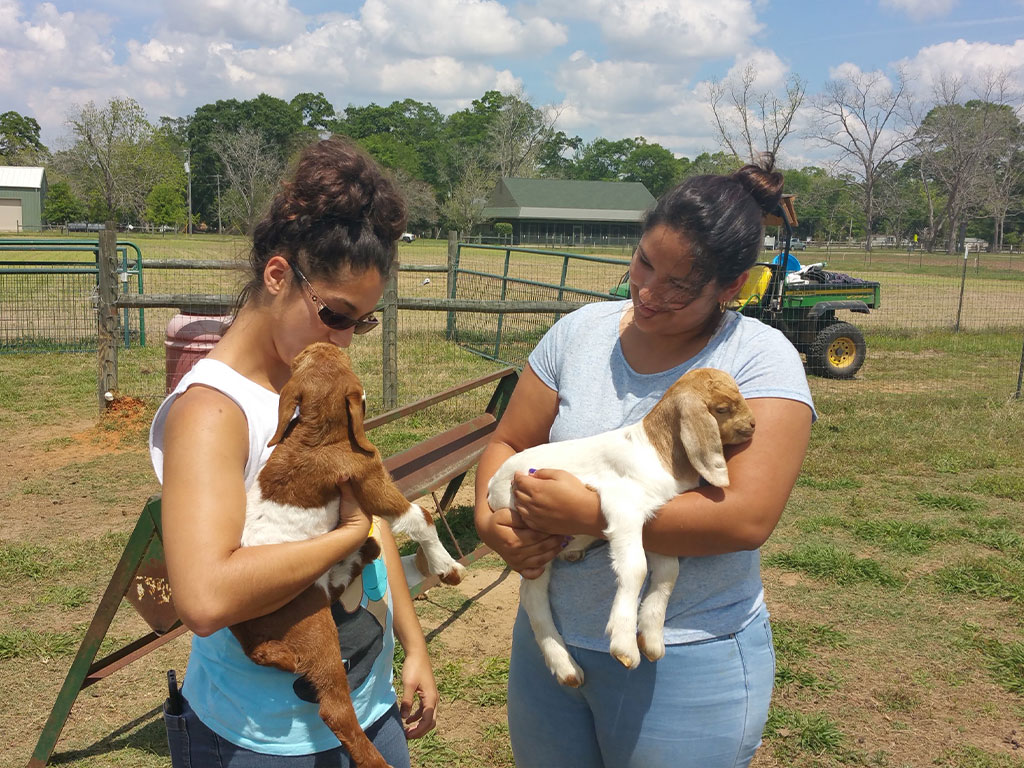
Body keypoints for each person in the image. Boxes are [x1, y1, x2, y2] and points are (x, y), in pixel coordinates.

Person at [474, 159, 815, 768]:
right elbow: (508, 442)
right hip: (551, 641)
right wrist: (487, 521)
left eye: (681, 284)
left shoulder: (760, 360)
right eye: (643, 263)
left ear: (731, 286)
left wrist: (589, 514)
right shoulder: (579, 333)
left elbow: (746, 519)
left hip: (686, 655)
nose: (649, 292)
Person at [149, 137, 436, 767]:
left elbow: (371, 519)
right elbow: (203, 598)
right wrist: (347, 536)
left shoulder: (304, 379)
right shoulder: (210, 413)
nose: (346, 340)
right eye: (335, 314)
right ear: (278, 276)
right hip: (261, 739)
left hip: (369, 704)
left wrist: (412, 643)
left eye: (362, 322)